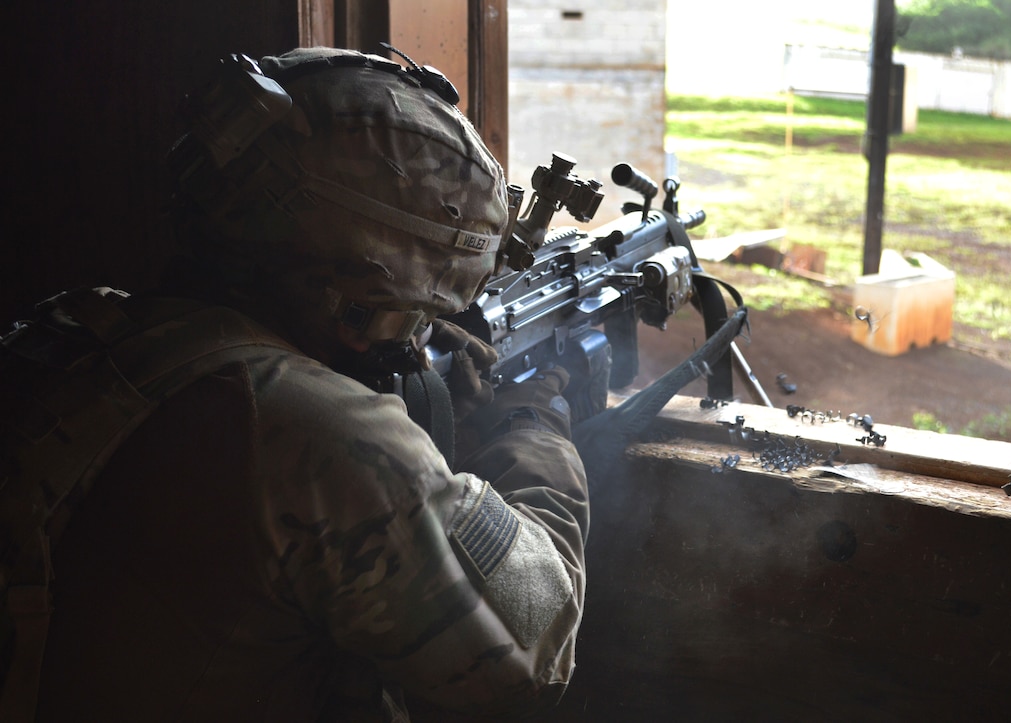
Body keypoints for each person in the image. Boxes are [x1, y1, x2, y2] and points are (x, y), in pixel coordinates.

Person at [14, 47, 589, 721]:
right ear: (366, 300)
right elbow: (536, 644)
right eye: (428, 310)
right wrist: (535, 427)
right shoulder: (323, 439)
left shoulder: (73, 331)